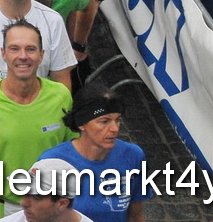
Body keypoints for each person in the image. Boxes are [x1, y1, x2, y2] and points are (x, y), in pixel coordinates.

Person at [0, 20, 76, 222]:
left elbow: (73, 153)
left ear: (42, 55)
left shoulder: (61, 96)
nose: (23, 56)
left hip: (50, 211)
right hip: (0, 209)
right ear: (3, 53)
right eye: (15, 48)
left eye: (30, 49)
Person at [39, 88, 148, 222]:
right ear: (82, 124)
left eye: (117, 120)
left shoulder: (133, 155)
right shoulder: (51, 162)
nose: (115, 128)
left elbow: (135, 215)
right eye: (105, 121)